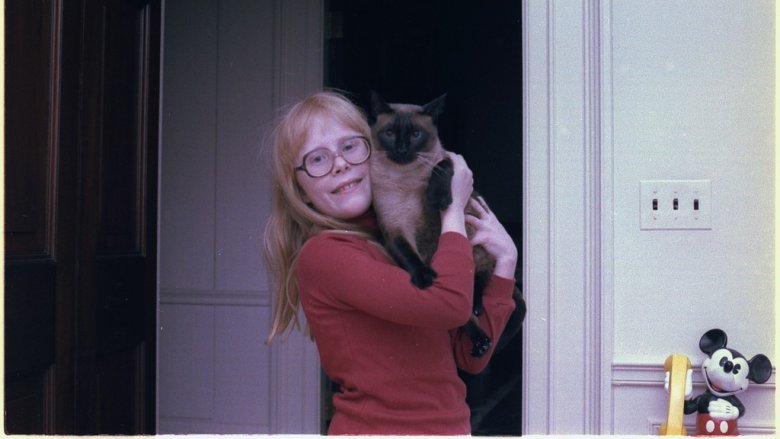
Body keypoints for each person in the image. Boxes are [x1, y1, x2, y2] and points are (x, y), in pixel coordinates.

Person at [264, 90, 518, 435]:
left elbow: (471, 358)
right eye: (317, 159)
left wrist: (505, 262)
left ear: (372, 149)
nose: (340, 163)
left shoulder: (393, 247)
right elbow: (450, 306)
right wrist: (453, 209)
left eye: (350, 147)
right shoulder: (326, 254)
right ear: (301, 189)